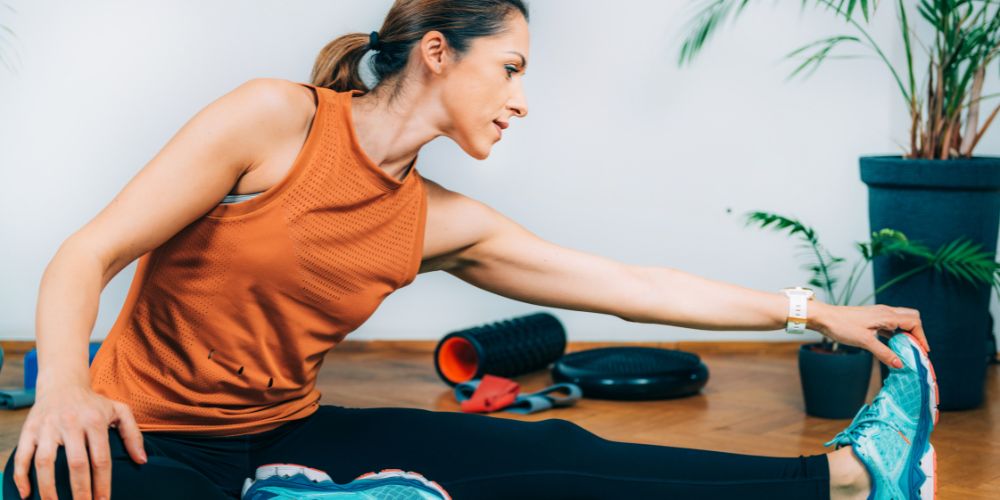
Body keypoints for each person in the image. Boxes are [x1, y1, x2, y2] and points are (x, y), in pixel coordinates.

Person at [2, 1, 937, 499]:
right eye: (513, 68)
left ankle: (848, 479)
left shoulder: (443, 223)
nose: (523, 98)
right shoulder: (272, 121)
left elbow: (630, 286)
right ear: (441, 52)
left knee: (564, 456)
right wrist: (62, 392)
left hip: (282, 436)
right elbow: (86, 254)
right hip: (141, 436)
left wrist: (813, 311)